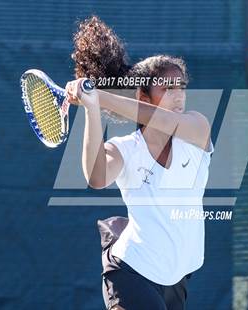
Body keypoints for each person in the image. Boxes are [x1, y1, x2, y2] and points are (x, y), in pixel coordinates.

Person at [67, 16, 213, 310]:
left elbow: (167, 121)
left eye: (180, 87)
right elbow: (96, 177)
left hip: (176, 279)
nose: (177, 96)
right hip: (131, 272)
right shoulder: (126, 149)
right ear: (143, 96)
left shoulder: (197, 126)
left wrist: (101, 96)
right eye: (166, 89)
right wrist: (91, 107)